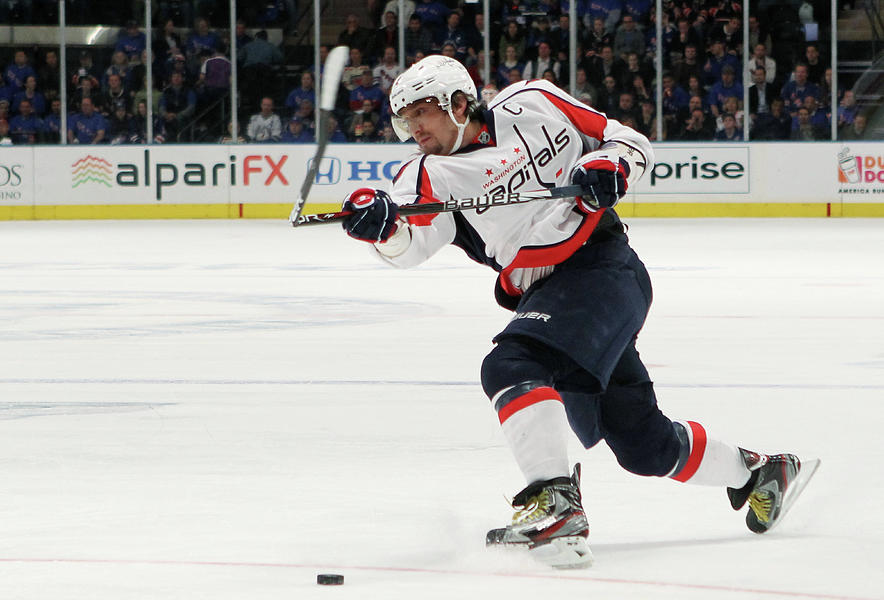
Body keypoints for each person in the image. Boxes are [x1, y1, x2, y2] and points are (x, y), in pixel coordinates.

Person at [335, 54, 816, 569]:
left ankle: (555, 501)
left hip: (604, 269)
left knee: (512, 365)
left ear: (458, 103)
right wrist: (383, 228)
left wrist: (610, 167)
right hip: (555, 301)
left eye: (421, 113)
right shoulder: (428, 176)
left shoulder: (533, 103)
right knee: (643, 447)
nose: (413, 128)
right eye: (404, 119)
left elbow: (628, 141)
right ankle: (761, 473)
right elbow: (410, 246)